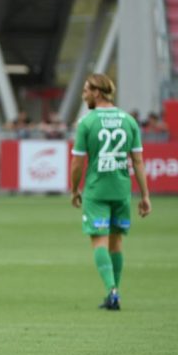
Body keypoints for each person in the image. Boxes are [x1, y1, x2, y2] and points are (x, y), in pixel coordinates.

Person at [70, 74, 151, 311]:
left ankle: (112, 290)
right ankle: (114, 291)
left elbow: (77, 163)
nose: (83, 94)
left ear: (97, 92)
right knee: (116, 242)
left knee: (99, 241)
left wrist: (75, 189)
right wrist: (145, 195)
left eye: (86, 90)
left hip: (97, 190)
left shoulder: (87, 123)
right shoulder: (129, 121)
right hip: (121, 190)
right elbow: (138, 162)